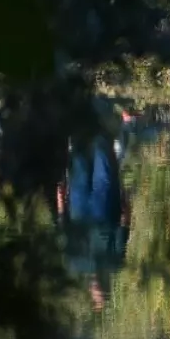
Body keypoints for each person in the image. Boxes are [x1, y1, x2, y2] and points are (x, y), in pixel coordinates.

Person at [57, 127, 133, 312]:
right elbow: (123, 228)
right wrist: (126, 204)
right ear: (107, 289)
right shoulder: (114, 262)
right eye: (103, 293)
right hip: (104, 210)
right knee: (103, 157)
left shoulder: (75, 263)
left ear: (90, 290)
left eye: (96, 294)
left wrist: (60, 203)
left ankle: (78, 126)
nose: (98, 289)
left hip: (79, 211)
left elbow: (63, 231)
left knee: (78, 161)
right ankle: (100, 122)